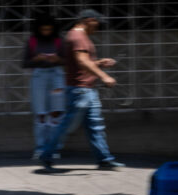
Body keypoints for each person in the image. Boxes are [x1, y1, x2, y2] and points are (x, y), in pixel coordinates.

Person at [40, 9, 124, 172]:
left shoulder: (77, 36)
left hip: (86, 90)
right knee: (66, 126)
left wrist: (99, 62)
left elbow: (81, 62)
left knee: (95, 127)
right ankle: (46, 155)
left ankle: (104, 160)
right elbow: (82, 61)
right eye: (97, 24)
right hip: (80, 91)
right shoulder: (78, 36)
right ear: (89, 20)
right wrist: (104, 76)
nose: (97, 28)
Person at [23, 14, 65, 160]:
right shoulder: (32, 41)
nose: (46, 32)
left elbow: (67, 60)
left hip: (56, 75)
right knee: (40, 114)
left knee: (56, 113)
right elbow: (25, 63)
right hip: (39, 76)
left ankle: (54, 147)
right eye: (43, 29)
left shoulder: (59, 40)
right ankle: (40, 148)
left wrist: (57, 59)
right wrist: (36, 59)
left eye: (49, 29)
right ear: (38, 29)